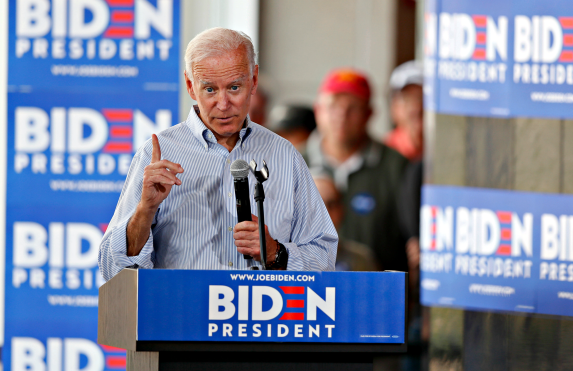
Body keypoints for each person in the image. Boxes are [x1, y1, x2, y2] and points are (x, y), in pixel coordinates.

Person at [98, 28, 338, 280]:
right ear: (191, 86)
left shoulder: (285, 155)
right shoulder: (158, 154)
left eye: (234, 87)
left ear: (253, 80)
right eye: (210, 89)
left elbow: (324, 261)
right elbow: (112, 271)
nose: (223, 104)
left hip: (262, 317)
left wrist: (275, 253)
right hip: (182, 314)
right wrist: (145, 210)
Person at [304, 68, 409, 272]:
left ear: (369, 114)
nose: (342, 115)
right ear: (318, 110)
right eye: (333, 106)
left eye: (353, 107)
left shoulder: (397, 167)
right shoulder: (289, 163)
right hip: (304, 294)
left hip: (377, 293)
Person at [311, 170, 378, 272]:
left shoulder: (361, 261)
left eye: (331, 204)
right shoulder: (280, 262)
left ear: (342, 211)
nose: (324, 214)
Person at [385, 60, 423, 161]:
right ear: (393, 106)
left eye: (423, 98)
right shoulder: (381, 156)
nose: (416, 107)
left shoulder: (446, 151)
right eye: (407, 99)